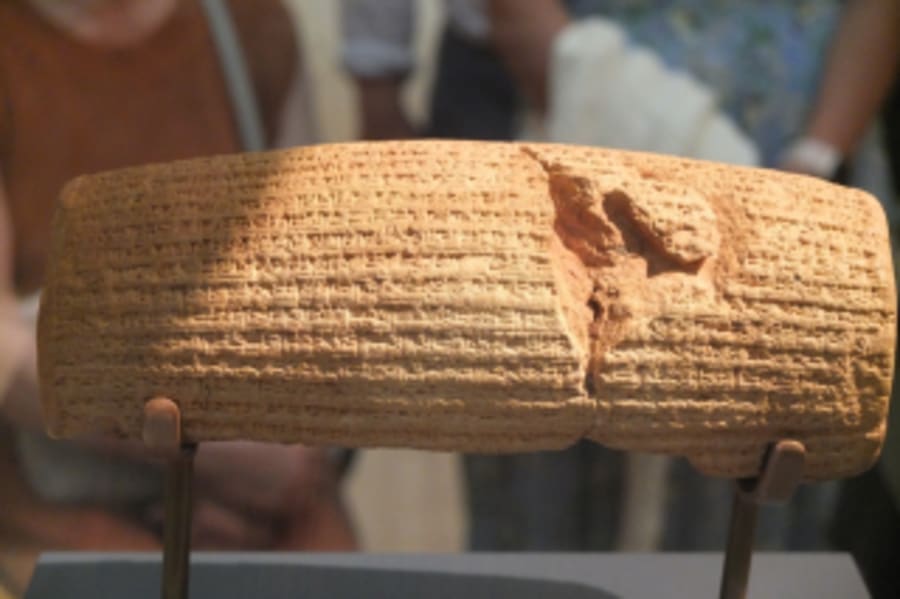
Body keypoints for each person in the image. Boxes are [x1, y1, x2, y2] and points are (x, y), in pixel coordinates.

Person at [342, 0, 900, 552]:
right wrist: (574, 70)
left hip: (800, 146)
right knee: (546, 472)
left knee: (753, 467)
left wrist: (817, 155)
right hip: (565, 112)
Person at [0, 0, 354, 593]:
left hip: (270, 495)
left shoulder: (248, 26)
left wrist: (286, 455)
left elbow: (322, 297)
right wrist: (207, 452)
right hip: (65, 503)